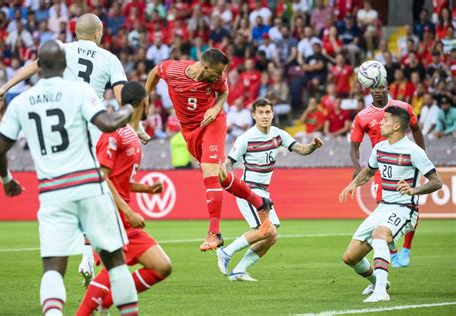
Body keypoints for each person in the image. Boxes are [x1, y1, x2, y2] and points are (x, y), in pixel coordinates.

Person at [0, 12, 151, 284]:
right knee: (97, 188)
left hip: (58, 133)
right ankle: (96, 255)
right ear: (99, 32)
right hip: (92, 128)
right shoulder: (109, 58)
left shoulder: (61, 51)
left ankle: (80, 252)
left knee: (61, 196)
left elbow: (33, 67)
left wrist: (4, 88)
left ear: (76, 32)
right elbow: (124, 95)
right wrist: (135, 125)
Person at [145, 48, 273, 251]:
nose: (220, 77)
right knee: (221, 176)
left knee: (209, 173)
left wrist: (216, 107)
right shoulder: (174, 70)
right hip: (190, 131)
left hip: (213, 123)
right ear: (205, 67)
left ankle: (215, 233)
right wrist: (146, 96)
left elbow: (224, 92)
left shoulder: (218, 77)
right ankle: (260, 203)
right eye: (216, 73)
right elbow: (155, 71)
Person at [77, 81, 172, 315]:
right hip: (111, 212)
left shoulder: (131, 135)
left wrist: (146, 190)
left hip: (122, 213)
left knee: (162, 266)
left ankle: (104, 302)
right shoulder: (116, 132)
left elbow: (120, 180)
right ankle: (92, 308)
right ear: (144, 102)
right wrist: (128, 211)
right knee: (113, 269)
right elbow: (102, 175)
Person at [340, 106, 442, 303]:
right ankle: (379, 281)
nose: (380, 122)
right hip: (383, 207)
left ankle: (380, 293)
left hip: (405, 209)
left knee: (380, 235)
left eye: (385, 120)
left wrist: (414, 190)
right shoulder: (379, 148)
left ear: (396, 126)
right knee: (350, 257)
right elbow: (369, 172)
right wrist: (353, 184)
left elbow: (437, 181)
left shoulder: (414, 151)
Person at [217, 98, 323, 281]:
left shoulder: (279, 135)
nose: (265, 116)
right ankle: (226, 252)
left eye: (267, 112)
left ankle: (239, 270)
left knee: (271, 236)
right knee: (267, 230)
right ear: (253, 115)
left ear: (273, 114)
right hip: (249, 191)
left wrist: (313, 146)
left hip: (264, 192)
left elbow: (300, 149)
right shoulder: (245, 138)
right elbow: (228, 165)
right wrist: (235, 187)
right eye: (260, 112)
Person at [350, 81, 425, 268]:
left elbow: (416, 130)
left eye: (381, 87)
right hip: (380, 168)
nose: (377, 91)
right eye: (373, 87)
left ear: (387, 87)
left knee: (410, 203)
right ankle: (393, 251)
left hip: (404, 164)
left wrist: (421, 156)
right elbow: (354, 147)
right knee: (383, 207)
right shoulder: (362, 116)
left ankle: (406, 248)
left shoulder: (402, 107)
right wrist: (356, 167)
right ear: (369, 89)